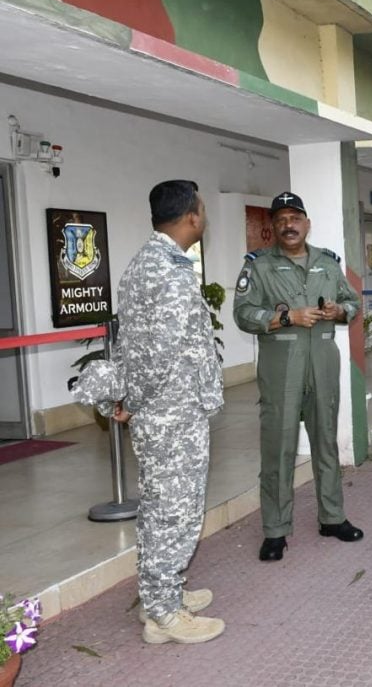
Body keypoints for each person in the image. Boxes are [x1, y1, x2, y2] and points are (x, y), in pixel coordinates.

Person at [106, 180, 225, 644]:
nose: (204, 218)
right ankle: (165, 614)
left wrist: (130, 398)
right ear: (191, 217)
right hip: (171, 413)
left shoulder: (149, 263)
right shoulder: (167, 271)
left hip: (164, 409)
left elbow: (131, 342)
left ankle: (162, 593)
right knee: (175, 511)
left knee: (160, 507)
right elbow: (160, 353)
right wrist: (134, 401)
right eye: (202, 210)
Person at [233, 191, 364, 562]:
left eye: (295, 218)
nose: (289, 225)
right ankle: (275, 530)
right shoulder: (258, 266)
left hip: (323, 362)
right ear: (272, 227)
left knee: (326, 442)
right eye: (281, 220)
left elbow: (353, 303)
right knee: (279, 449)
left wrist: (341, 310)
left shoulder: (327, 262)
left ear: (307, 223)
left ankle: (333, 517)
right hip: (282, 368)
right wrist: (286, 317)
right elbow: (243, 313)